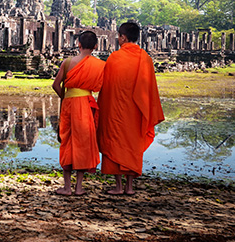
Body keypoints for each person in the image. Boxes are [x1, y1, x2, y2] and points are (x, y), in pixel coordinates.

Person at [97, 22, 165, 195]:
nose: (118, 39)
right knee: (132, 145)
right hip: (136, 112)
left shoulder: (114, 57)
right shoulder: (145, 58)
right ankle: (129, 187)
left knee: (115, 143)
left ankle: (118, 186)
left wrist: (102, 109)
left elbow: (107, 88)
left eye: (119, 36)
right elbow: (150, 89)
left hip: (116, 110)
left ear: (123, 37)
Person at [52, 30, 106, 196]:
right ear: (96, 46)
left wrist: (66, 96)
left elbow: (55, 85)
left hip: (69, 104)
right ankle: (79, 188)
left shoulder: (68, 62)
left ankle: (67, 187)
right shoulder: (100, 65)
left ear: (78, 44)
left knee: (67, 140)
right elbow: (101, 86)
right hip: (86, 104)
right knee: (83, 142)